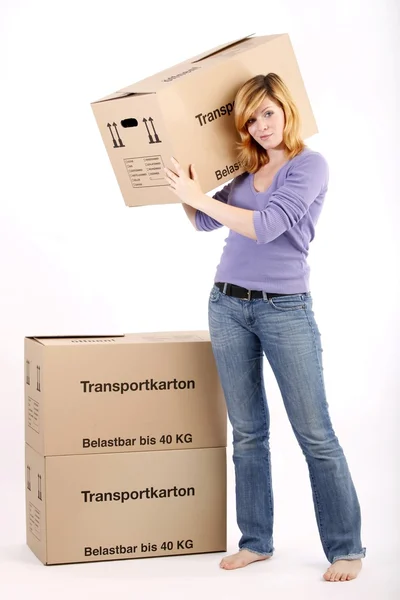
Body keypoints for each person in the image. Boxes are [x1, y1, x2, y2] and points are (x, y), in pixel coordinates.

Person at [163, 73, 366, 582]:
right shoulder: (244, 169)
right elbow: (204, 223)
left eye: (268, 113)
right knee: (248, 432)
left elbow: (267, 226)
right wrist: (182, 189)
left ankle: (347, 548)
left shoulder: (309, 166)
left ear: (286, 109)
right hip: (227, 304)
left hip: (285, 310)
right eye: (251, 119)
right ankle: (256, 542)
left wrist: (200, 196)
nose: (261, 125)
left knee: (315, 434)